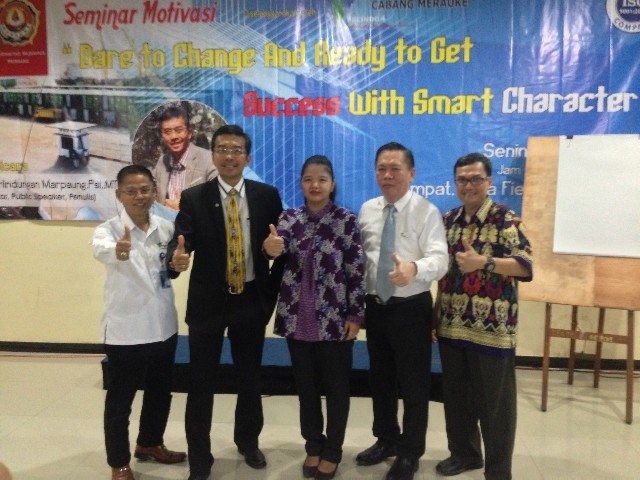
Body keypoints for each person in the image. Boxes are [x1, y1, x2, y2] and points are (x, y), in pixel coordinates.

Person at [167, 124, 285, 480]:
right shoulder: (195, 197)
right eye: (222, 149)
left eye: (236, 150)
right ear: (213, 155)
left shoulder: (267, 195)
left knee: (250, 379)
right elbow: (181, 241)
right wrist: (175, 260)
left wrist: (273, 254)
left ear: (247, 158)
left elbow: (279, 246)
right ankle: (200, 457)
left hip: (250, 300)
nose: (229, 156)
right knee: (201, 383)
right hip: (208, 304)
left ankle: (248, 442)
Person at [263, 155, 365, 480]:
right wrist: (269, 248)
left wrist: (356, 314)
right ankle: (313, 446)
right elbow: (275, 248)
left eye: (322, 179)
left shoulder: (346, 220)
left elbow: (356, 270)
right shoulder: (289, 218)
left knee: (337, 389)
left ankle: (333, 451)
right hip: (298, 318)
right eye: (308, 179)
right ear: (301, 184)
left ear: (332, 184)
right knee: (306, 389)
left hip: (336, 319)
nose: (315, 185)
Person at [434, 152, 533, 480]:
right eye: (462, 179)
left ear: (489, 181)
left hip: (493, 330)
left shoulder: (506, 218)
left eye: (476, 179)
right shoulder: (448, 220)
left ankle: (498, 469)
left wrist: (485, 263)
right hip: (452, 326)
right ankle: (465, 455)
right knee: (457, 400)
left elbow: (525, 266)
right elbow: (444, 275)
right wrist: (435, 316)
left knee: (496, 406)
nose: (469, 185)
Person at [356, 142, 448, 480]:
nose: (388, 175)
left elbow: (440, 259)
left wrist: (414, 268)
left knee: (413, 385)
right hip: (376, 307)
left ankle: (410, 452)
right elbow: (361, 259)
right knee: (380, 380)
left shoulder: (427, 211)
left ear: (411, 173)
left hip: (410, 308)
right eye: (382, 168)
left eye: (395, 168)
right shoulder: (367, 209)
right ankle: (386, 440)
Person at [92, 165, 186, 480]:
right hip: (126, 332)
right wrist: (119, 252)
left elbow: (169, 267)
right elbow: (102, 251)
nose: (139, 196)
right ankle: (118, 463)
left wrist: (177, 264)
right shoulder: (107, 231)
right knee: (120, 402)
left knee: (160, 392)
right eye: (130, 191)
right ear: (119, 195)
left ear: (154, 192)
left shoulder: (166, 227)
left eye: (145, 189)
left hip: (163, 326)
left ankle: (150, 443)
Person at [153, 105, 217, 210]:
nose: (174, 137)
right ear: (162, 136)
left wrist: (185, 208)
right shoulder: (162, 162)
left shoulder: (209, 160)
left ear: (189, 133)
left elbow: (219, 202)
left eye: (179, 130)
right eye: (168, 132)